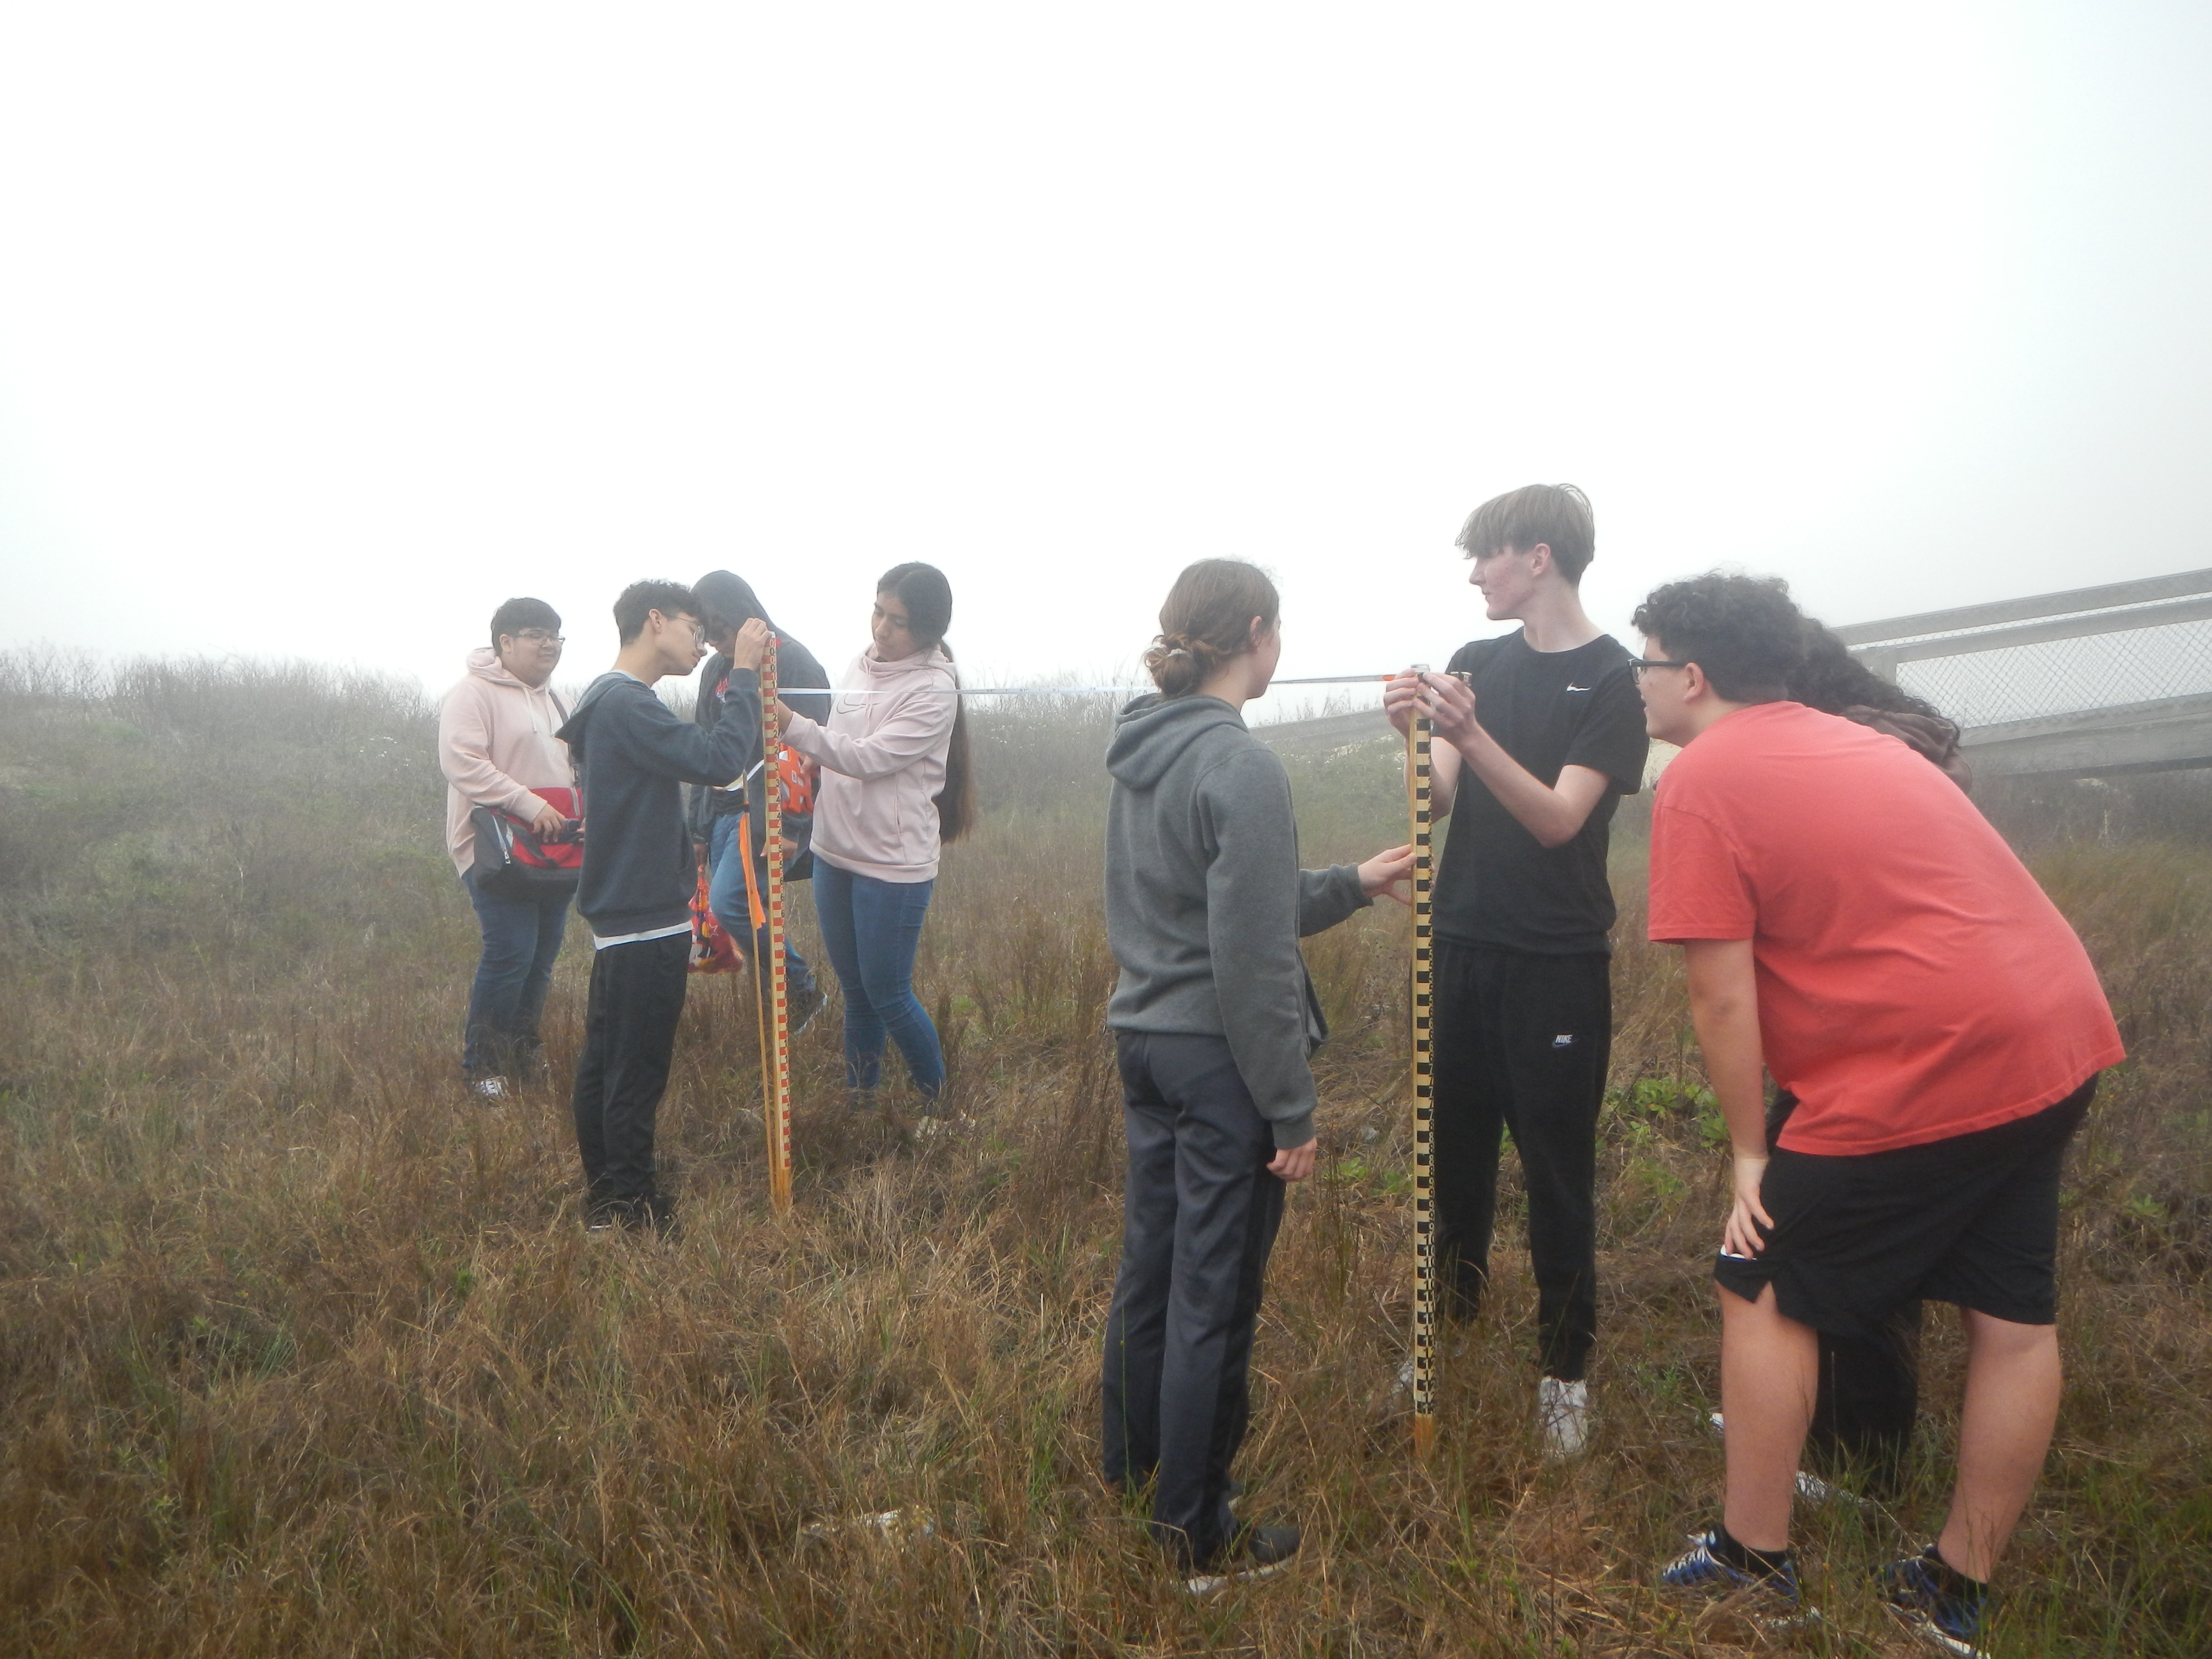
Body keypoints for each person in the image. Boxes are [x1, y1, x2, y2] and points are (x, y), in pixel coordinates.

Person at [1635, 573, 2124, 1651]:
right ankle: (1954, 1589)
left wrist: (1750, 1158)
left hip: (1932, 1060)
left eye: (1644, 661)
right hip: (2053, 1033)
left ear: (1691, 674)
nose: (1638, 685)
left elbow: (1720, 993)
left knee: (1758, 1277)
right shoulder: (1852, 738)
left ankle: (1751, 1560)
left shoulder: (1703, 776)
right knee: (2007, 1316)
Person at [1100, 558, 1412, 1586]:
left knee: (1152, 1275)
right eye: (1279, 633)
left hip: (1145, 1042)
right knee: (1212, 1299)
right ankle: (1195, 1536)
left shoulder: (1143, 749)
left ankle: (1135, 1475)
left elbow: (1225, 903)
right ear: (1256, 631)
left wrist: (1350, 887)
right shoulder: (1241, 765)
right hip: (1220, 1064)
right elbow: (1251, 959)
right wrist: (1291, 1108)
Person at [1379, 483, 1650, 1458]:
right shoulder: (1474, 664)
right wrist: (1413, 730)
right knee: (1453, 1158)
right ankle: (1441, 1336)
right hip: (1461, 947)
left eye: (1488, 555)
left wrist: (1468, 731)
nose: (1474, 574)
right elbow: (1438, 798)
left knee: (1555, 1172)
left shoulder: (1617, 681)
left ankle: (1564, 1377)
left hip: (1556, 963)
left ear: (1539, 557)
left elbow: (1558, 819)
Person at [555, 581, 763, 1234]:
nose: (702, 646)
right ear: (654, 622)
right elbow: (723, 759)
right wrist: (748, 674)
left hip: (622, 912)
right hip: (645, 915)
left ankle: (607, 1203)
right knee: (635, 1072)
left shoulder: (604, 699)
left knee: (608, 1064)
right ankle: (639, 1213)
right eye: (693, 629)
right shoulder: (627, 705)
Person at [768, 563, 973, 1117]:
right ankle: (860, 1104)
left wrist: (787, 721)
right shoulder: (858, 666)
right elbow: (831, 745)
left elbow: (868, 759)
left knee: (888, 993)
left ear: (928, 632)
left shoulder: (934, 688)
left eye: (899, 622)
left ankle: (937, 1106)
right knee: (855, 992)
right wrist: (794, 816)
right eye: (879, 611)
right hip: (834, 853)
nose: (882, 629)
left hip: (892, 866)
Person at [437, 597, 578, 1099]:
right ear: (505, 642)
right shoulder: (472, 694)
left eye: (556, 635)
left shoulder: (558, 701)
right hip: (495, 851)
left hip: (555, 851)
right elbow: (464, 764)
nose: (548, 644)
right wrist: (527, 804)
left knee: (541, 957)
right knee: (510, 952)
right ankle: (483, 1068)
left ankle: (523, 1049)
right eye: (536, 634)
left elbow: (572, 770)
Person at [688, 570, 833, 1034]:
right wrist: (696, 829)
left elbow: (806, 753)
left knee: (734, 902)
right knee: (745, 912)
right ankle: (780, 1011)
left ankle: (801, 986)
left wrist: (791, 827)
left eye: (721, 632)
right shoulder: (716, 670)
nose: (715, 644)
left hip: (770, 810)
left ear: (741, 614)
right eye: (707, 636)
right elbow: (702, 749)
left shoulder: (795, 663)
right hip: (722, 813)